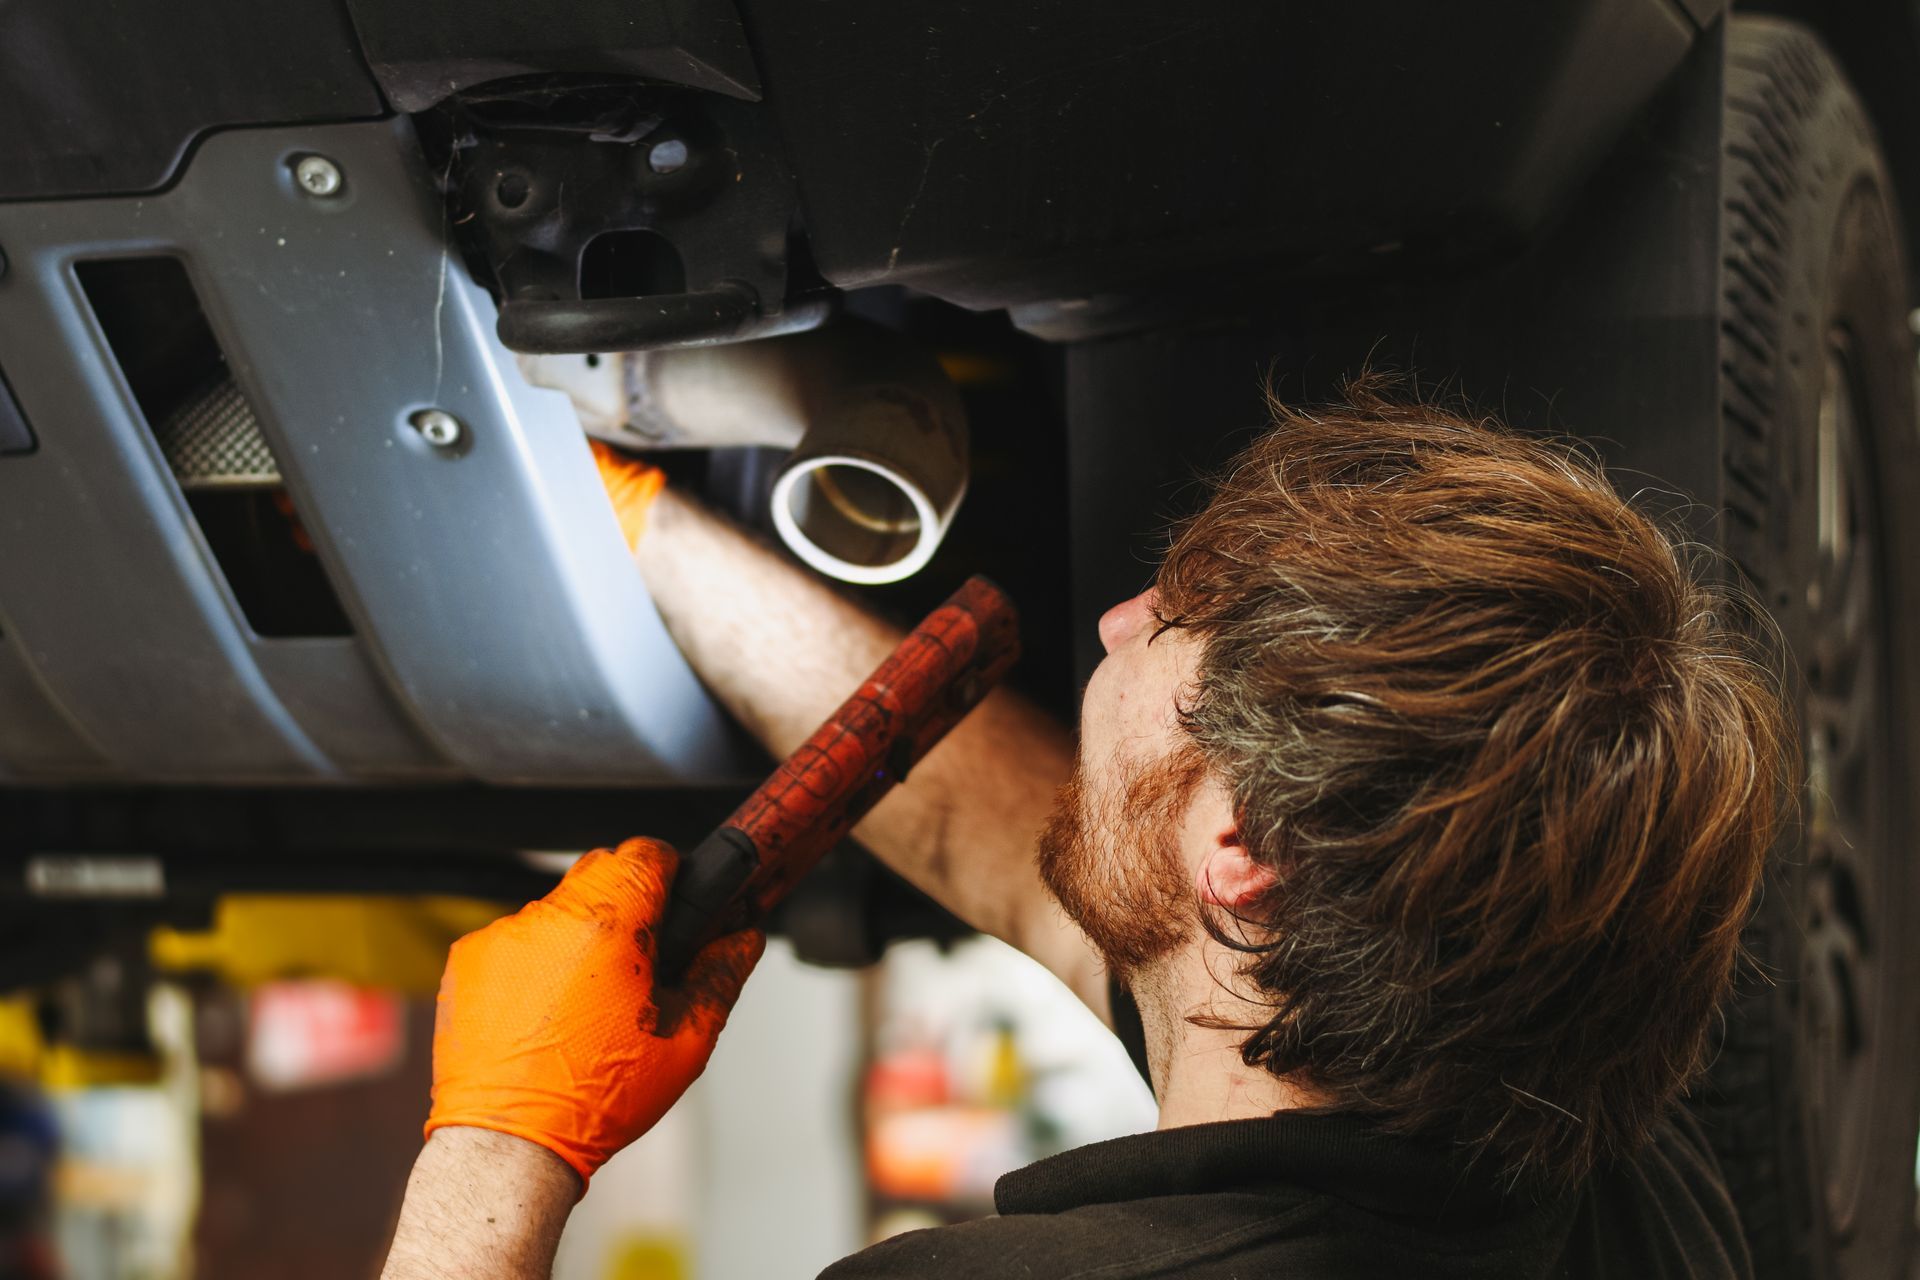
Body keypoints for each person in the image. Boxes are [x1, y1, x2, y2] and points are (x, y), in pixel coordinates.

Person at [380, 382, 1788, 1279]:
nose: (1119, 623)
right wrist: (646, 541)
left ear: (1243, 849)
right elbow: (1029, 859)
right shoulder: (1576, 1166)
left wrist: (502, 1147)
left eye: (1173, 626)